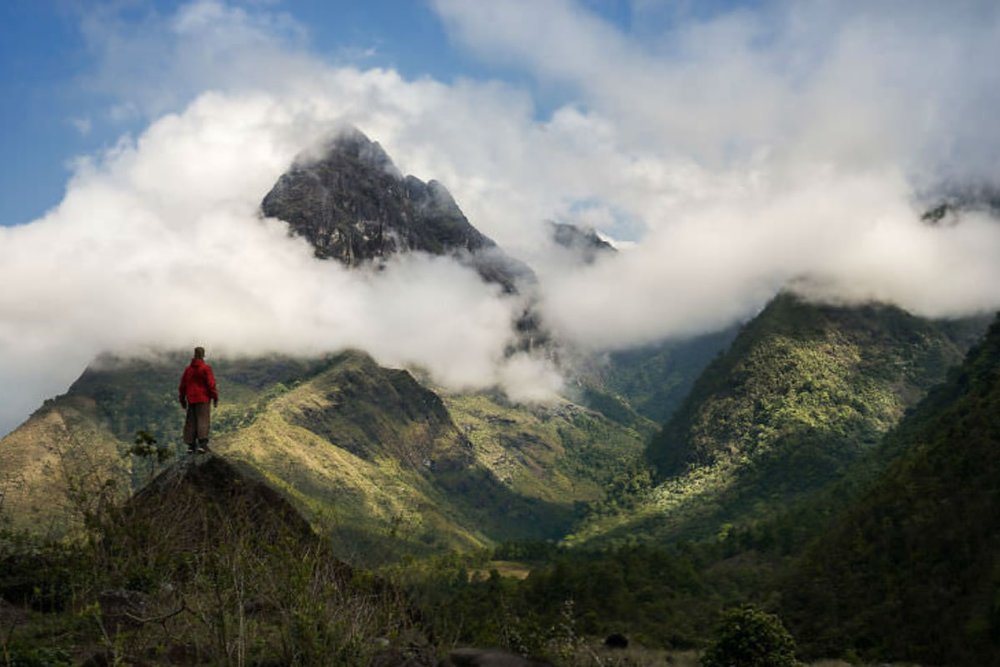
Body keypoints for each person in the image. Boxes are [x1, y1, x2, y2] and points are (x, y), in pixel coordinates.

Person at [178, 346, 219, 454]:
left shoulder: (188, 370)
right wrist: (215, 397)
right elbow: (211, 384)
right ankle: (202, 444)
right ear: (203, 355)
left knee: (191, 421)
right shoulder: (206, 368)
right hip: (203, 398)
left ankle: (191, 446)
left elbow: (182, 386)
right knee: (203, 420)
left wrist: (182, 399)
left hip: (191, 399)